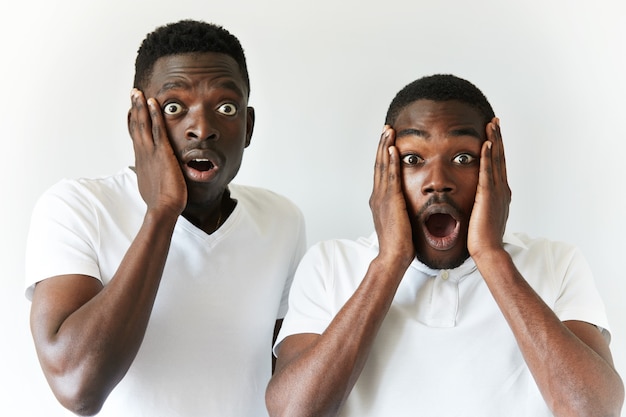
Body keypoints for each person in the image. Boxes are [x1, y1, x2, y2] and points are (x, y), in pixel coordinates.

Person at [265, 74, 624, 417]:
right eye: (413, 159)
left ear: (494, 166)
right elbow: (294, 411)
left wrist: (491, 256)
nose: (438, 182)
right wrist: (389, 262)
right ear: (384, 170)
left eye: (463, 158)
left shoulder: (556, 262)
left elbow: (593, 409)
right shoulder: (330, 264)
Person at [25, 19, 306, 417]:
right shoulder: (76, 207)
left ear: (248, 126)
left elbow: (289, 390)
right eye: (174, 107)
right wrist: (161, 213)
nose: (202, 129)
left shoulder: (282, 221)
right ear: (137, 124)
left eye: (226, 108)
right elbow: (77, 387)